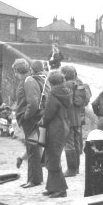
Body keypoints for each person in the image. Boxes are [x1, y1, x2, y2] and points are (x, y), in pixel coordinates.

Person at [14, 59, 45, 188]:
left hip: (30, 121)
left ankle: (34, 180)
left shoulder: (28, 81)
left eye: (15, 71)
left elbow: (32, 103)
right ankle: (33, 179)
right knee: (32, 149)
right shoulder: (28, 80)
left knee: (33, 150)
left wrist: (25, 117)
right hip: (31, 120)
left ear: (17, 71)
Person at [41, 70, 72, 198]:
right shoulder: (66, 92)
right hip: (63, 126)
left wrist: (42, 120)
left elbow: (48, 113)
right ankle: (51, 187)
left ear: (51, 82)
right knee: (53, 156)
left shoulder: (53, 93)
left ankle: (61, 189)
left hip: (55, 128)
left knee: (53, 158)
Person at [60, 65, 83, 177]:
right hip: (77, 119)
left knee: (69, 144)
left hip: (68, 118)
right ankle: (77, 168)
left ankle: (71, 169)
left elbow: (66, 103)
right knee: (76, 142)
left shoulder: (66, 86)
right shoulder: (79, 84)